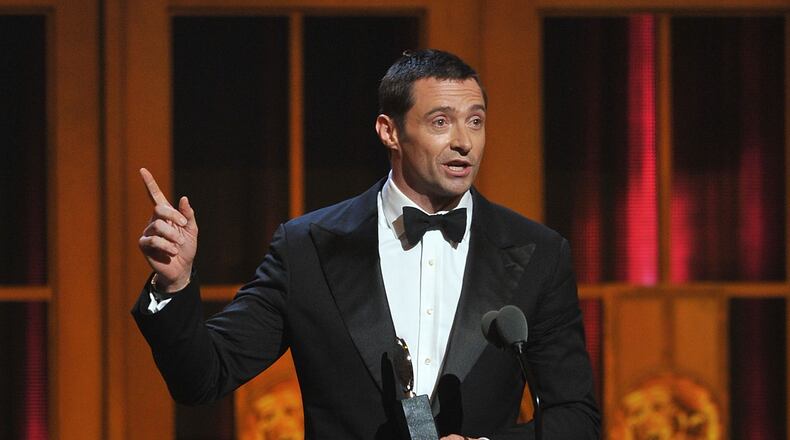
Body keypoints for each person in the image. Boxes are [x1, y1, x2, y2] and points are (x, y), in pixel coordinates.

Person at [133, 49, 600, 439]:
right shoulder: (308, 248)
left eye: (475, 121)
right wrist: (173, 285)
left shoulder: (538, 251)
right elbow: (204, 377)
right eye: (441, 122)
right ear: (389, 131)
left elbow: (576, 416)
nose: (464, 142)